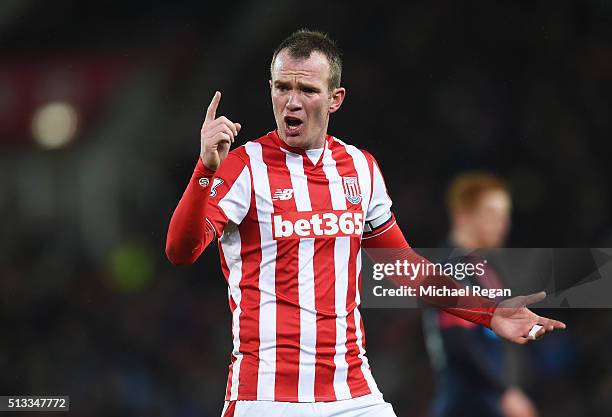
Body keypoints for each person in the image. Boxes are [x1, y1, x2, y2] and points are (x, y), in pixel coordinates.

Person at [165, 30, 565, 417]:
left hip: (352, 394)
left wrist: (489, 312)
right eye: (282, 87)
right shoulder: (242, 168)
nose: (292, 101)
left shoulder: (361, 168)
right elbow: (180, 252)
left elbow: (404, 267)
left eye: (307, 90)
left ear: (335, 98)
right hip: (267, 396)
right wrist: (204, 169)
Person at [423, 173, 539, 417]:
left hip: (487, 403)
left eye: (505, 215)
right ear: (463, 216)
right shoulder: (449, 269)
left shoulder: (483, 268)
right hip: (465, 405)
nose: (503, 224)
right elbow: (457, 342)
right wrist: (505, 393)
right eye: (493, 215)